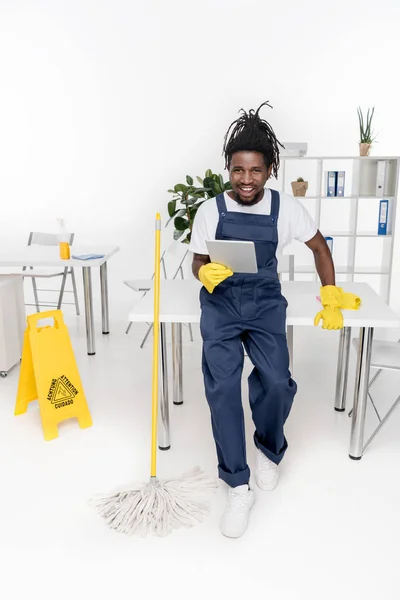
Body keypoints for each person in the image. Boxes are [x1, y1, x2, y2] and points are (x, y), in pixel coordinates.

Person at [189, 101, 359, 538]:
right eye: (238, 171)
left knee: (277, 381)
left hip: (265, 301)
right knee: (222, 386)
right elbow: (198, 260)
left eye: (255, 171)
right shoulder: (210, 209)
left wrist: (330, 295)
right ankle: (237, 481)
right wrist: (203, 272)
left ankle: (268, 447)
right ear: (229, 169)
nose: (246, 180)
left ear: (270, 170)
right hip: (221, 301)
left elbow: (320, 248)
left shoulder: (286, 209)